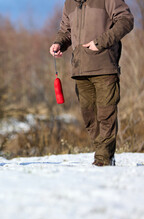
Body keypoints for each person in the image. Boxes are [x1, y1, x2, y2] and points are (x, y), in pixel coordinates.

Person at [50, 0, 134, 166]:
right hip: (80, 70)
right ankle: (103, 154)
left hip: (105, 67)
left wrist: (100, 43)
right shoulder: (70, 3)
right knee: (90, 119)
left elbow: (126, 20)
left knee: (106, 116)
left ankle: (103, 159)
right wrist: (59, 43)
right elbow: (66, 31)